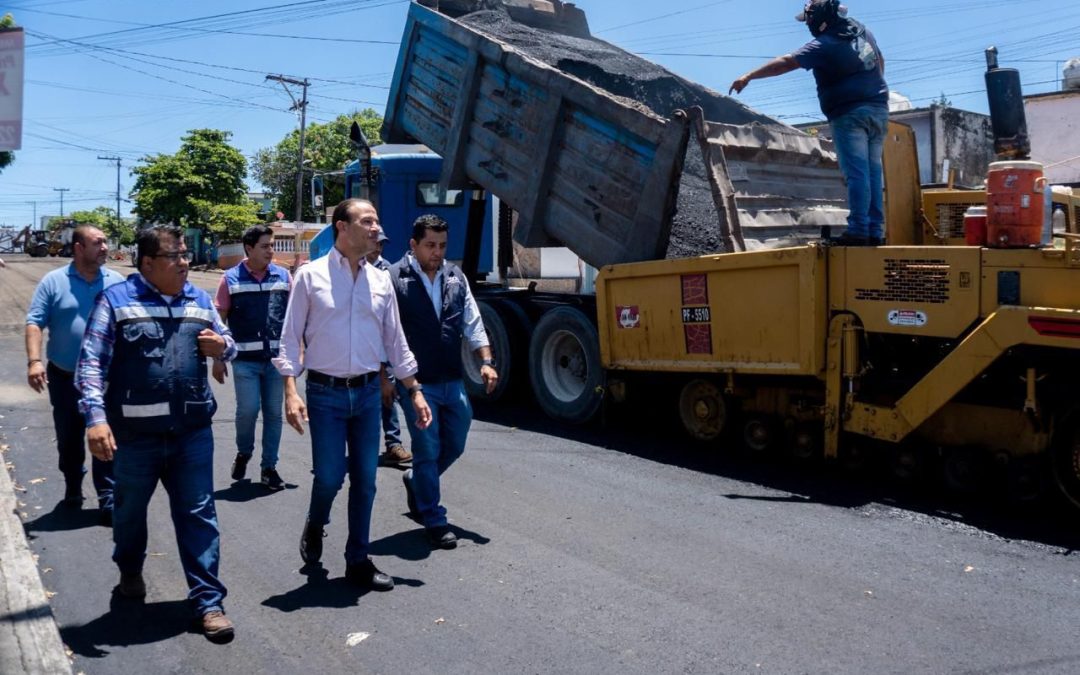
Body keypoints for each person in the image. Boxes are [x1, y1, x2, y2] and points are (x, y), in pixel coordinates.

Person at [76, 225, 237, 643]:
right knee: (128, 515)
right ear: (147, 263)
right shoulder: (116, 302)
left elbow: (229, 341)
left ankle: (208, 601)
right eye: (175, 256)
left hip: (192, 433)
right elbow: (91, 362)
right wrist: (96, 419)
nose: (185, 262)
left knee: (200, 514)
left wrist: (222, 348)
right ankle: (130, 570)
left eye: (185, 254)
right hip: (135, 438)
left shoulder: (200, 300)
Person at [274, 199, 432, 591]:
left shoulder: (381, 281)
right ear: (341, 227)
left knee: (366, 481)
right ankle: (317, 521)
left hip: (365, 395)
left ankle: (357, 559)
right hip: (325, 394)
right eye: (367, 221)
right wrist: (291, 390)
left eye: (377, 220)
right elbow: (290, 338)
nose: (376, 227)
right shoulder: (310, 277)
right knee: (328, 477)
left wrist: (414, 389)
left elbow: (396, 341)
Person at [729, 0, 888, 246]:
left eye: (808, 20)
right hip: (878, 109)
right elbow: (880, 60)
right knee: (873, 173)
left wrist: (748, 76)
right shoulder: (863, 31)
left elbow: (786, 62)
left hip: (850, 114)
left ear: (818, 19)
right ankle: (874, 231)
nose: (808, 25)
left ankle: (858, 230)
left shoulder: (825, 44)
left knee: (857, 173)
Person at [390, 214, 498, 550]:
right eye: (430, 245)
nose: (437, 252)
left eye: (442, 246)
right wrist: (385, 376)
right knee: (427, 447)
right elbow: (384, 332)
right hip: (416, 384)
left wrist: (486, 361)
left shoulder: (454, 276)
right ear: (413, 245)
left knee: (456, 442)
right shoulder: (393, 278)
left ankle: (417, 481)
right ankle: (434, 518)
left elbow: (472, 321)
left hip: (452, 378)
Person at [25, 225, 124, 523]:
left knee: (106, 435)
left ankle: (107, 496)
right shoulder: (53, 282)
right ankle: (72, 484)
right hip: (65, 377)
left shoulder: (117, 282)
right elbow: (34, 323)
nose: (105, 247)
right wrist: (34, 361)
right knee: (69, 438)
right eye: (98, 243)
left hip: (108, 379)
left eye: (106, 241)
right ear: (79, 248)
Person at [213, 224, 290, 490]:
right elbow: (219, 318)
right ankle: (244, 452)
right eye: (265, 246)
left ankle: (269, 467)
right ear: (249, 249)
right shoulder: (230, 279)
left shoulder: (283, 276)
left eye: (272, 245)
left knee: (273, 414)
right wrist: (218, 357)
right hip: (244, 360)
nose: (271, 250)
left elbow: (294, 315)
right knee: (247, 410)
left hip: (275, 361)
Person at [366, 226, 412, 467]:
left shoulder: (390, 271)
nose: (378, 247)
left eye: (381, 244)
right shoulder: (354, 269)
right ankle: (364, 446)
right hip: (362, 346)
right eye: (374, 242)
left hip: (387, 344)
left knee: (389, 393)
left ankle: (393, 443)